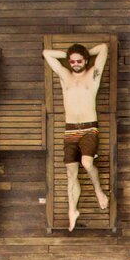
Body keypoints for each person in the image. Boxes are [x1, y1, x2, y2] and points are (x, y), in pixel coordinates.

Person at [42, 41, 111, 231]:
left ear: (86, 60)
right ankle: (73, 210)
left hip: (89, 128)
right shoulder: (65, 75)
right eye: (72, 62)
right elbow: (46, 53)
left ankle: (98, 191)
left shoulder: (93, 74)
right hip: (70, 130)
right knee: (71, 172)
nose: (75, 64)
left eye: (78, 61)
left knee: (87, 164)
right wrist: (69, 54)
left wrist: (84, 52)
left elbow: (104, 47)